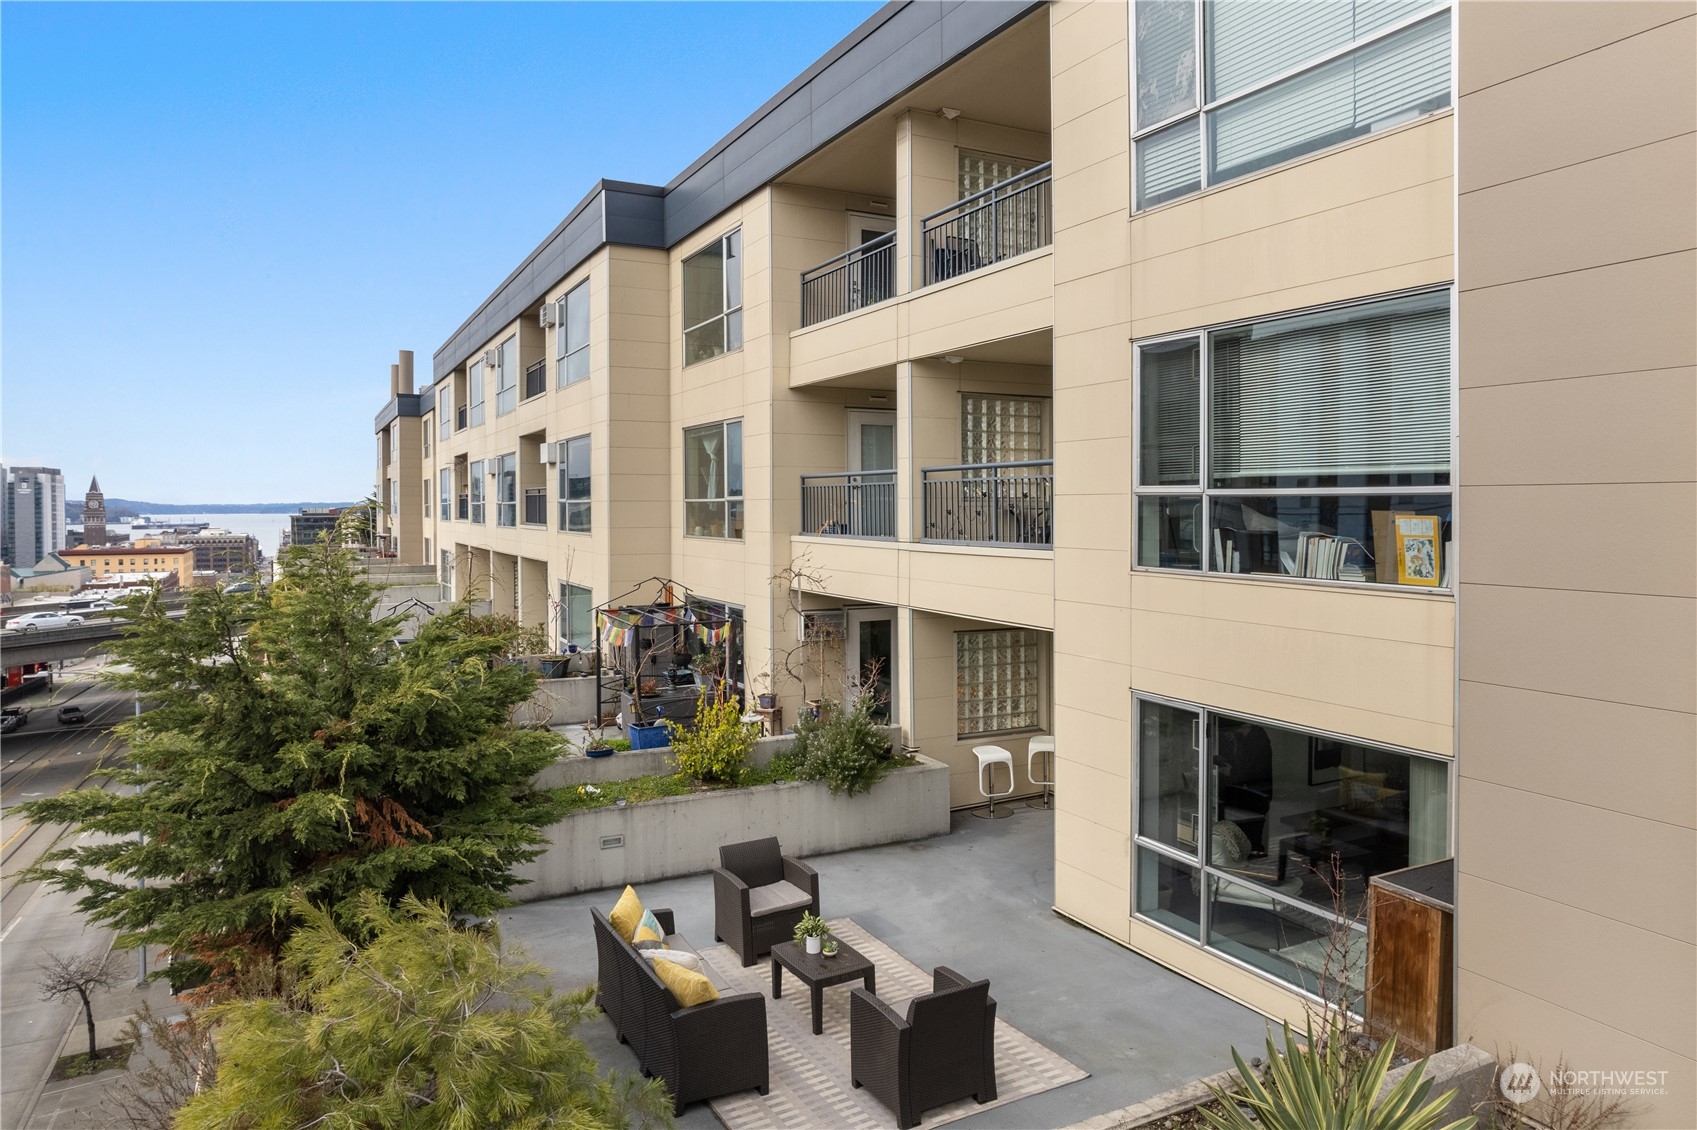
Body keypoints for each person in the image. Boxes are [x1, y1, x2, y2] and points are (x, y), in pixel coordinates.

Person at [1214, 718, 1274, 854]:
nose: (1229, 735)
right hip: (1241, 793)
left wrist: (1230, 771)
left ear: (1244, 727)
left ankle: (1253, 857)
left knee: (1252, 834)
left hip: (1255, 794)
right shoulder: (1241, 739)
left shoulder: (1258, 739)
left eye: (1232, 731)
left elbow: (1255, 770)